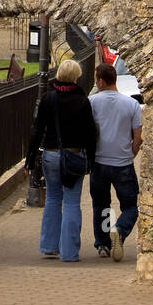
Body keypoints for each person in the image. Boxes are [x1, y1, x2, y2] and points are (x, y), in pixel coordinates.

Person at [24, 59, 97, 262]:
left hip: (51, 153)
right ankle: (69, 252)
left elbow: (37, 130)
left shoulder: (49, 98)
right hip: (74, 154)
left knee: (53, 199)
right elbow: (90, 133)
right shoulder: (82, 101)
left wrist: (29, 160)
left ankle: (49, 245)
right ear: (75, 77)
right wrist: (91, 160)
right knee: (72, 202)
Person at [88, 61, 143, 261]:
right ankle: (119, 230)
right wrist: (132, 153)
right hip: (123, 163)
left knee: (102, 205)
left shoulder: (92, 102)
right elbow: (138, 136)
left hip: (100, 162)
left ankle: (103, 243)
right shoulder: (131, 104)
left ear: (100, 81)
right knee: (130, 206)